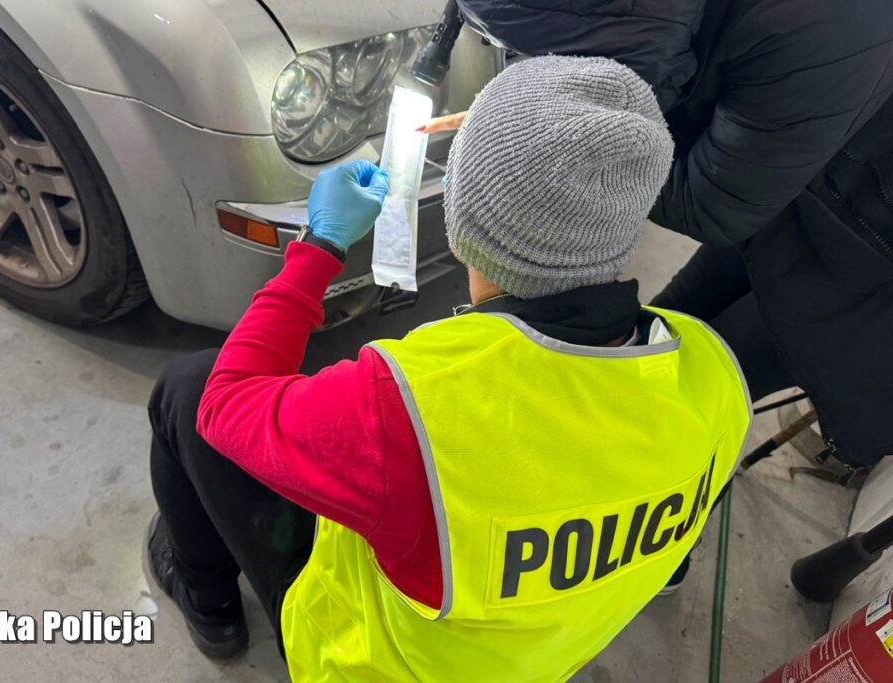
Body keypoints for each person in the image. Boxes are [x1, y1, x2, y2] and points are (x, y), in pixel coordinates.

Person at [144, 56, 751, 682]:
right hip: (532, 658)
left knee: (186, 391)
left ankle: (207, 600)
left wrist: (319, 247)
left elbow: (228, 404)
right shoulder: (716, 379)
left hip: (372, 662)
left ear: (464, 223)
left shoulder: (413, 407)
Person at [427, 0, 893, 469]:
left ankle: (653, 500)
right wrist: (535, 124)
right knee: (659, 338)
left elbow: (711, 207)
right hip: (793, 196)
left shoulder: (822, 23)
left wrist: (562, 146)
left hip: (863, 274)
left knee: (692, 401)